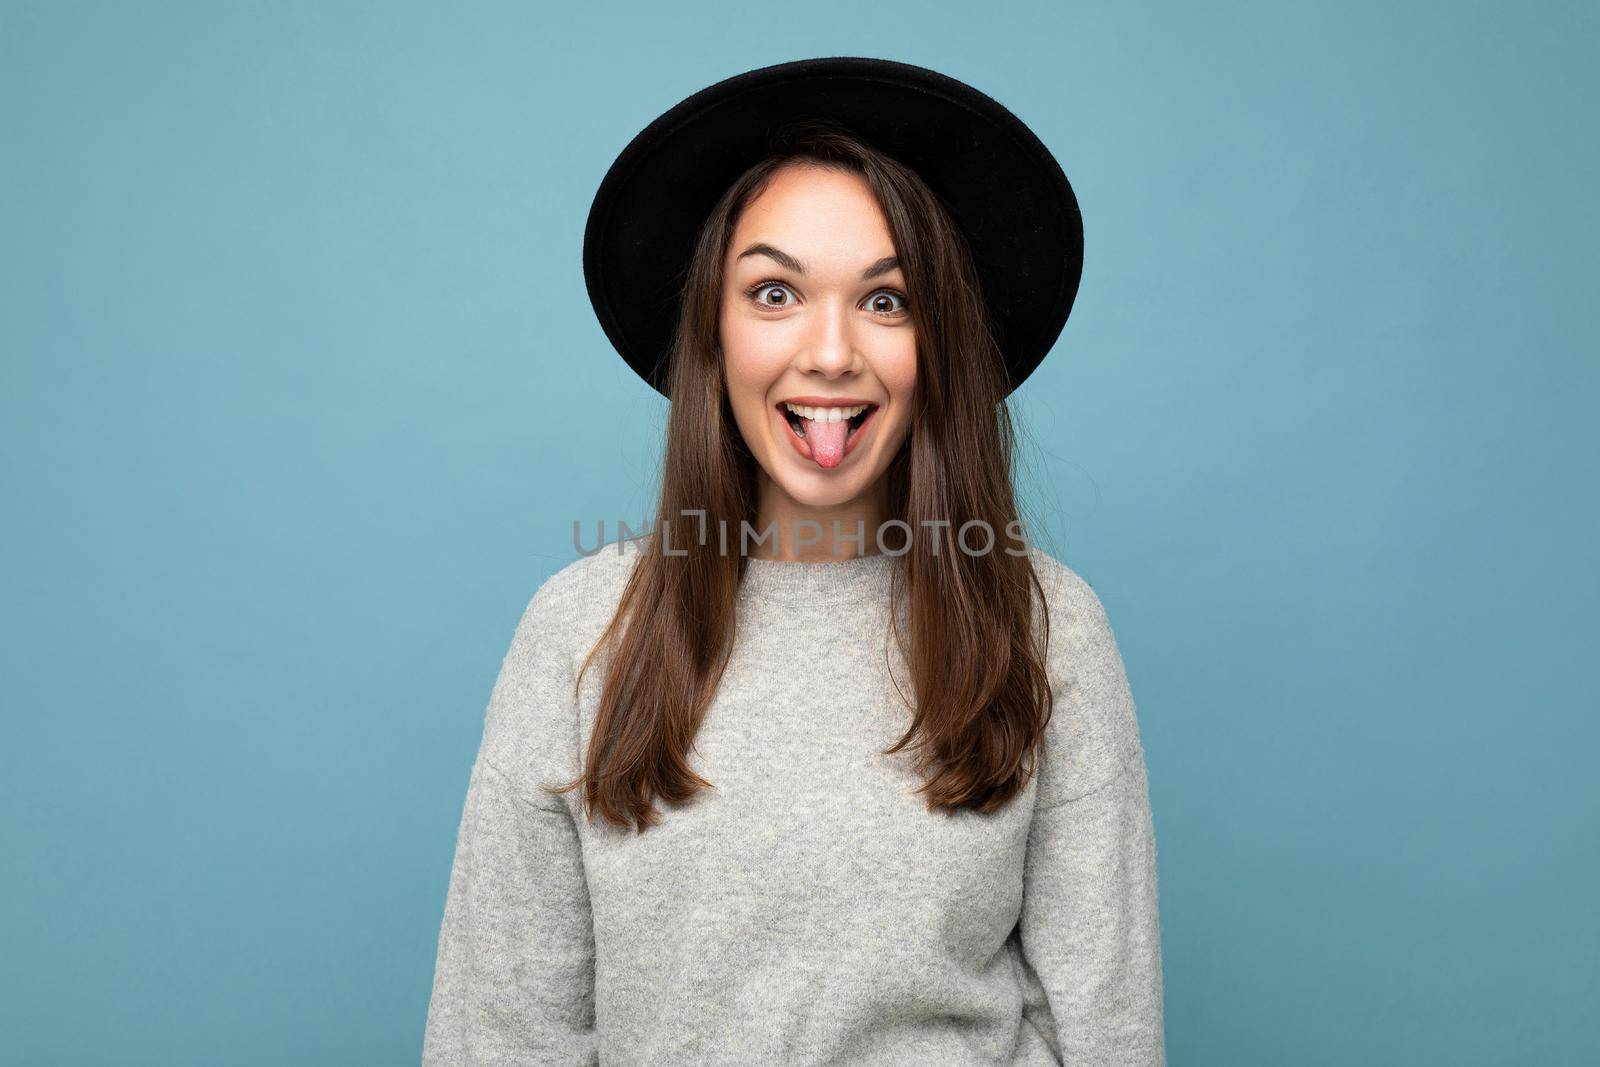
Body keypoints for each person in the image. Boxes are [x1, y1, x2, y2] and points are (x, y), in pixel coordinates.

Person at [422, 57, 1165, 1066]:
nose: (828, 352)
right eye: (773, 291)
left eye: (887, 301)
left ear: (936, 342)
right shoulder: (580, 629)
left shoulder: (1044, 624)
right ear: (713, 336)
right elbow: (500, 1035)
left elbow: (1106, 1031)